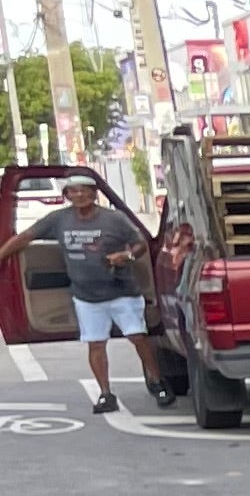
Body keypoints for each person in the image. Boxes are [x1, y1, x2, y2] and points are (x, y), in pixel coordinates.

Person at [3, 175, 159, 414]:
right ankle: (106, 394)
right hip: (86, 296)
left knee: (138, 336)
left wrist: (125, 257)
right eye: (73, 191)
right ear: (66, 196)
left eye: (84, 190)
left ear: (94, 193)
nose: (79, 195)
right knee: (95, 344)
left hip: (122, 291)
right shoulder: (59, 219)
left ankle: (157, 382)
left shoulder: (114, 219)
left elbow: (139, 244)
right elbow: (26, 237)